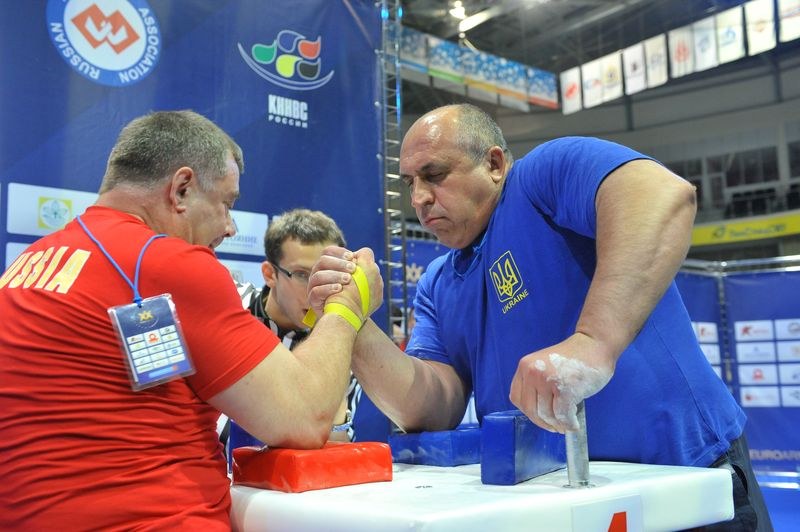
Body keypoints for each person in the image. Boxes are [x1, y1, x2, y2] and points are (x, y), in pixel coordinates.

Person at [314, 103, 772, 530]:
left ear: (494, 165)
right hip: (555, 502)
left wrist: (592, 342)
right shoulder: (438, 281)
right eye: (409, 182)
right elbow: (432, 407)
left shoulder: (543, 174)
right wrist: (350, 319)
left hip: (682, 476)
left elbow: (661, 194)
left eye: (434, 175)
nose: (419, 198)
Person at [0, 110, 382, 530]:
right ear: (181, 189)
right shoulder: (167, 263)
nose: (231, 226)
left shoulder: (29, 263)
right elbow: (304, 419)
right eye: (226, 203)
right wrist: (346, 305)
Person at [235, 208, 355, 442]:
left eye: (327, 274)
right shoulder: (230, 307)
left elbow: (335, 445)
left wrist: (335, 354)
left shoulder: (341, 341)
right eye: (302, 274)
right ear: (270, 274)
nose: (316, 289)